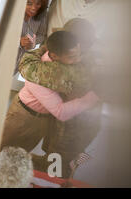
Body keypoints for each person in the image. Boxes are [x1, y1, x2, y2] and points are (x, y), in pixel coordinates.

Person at [18, 18, 102, 178]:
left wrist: (46, 48)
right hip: (79, 122)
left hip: (72, 127)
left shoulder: (68, 69)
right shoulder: (84, 55)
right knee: (55, 159)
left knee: (56, 167)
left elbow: (27, 65)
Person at [0, 31, 99, 153]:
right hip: (22, 118)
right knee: (0, 154)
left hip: (42, 120)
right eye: (72, 57)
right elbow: (60, 111)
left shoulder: (63, 64)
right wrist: (93, 97)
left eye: (79, 54)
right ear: (55, 56)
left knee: (20, 157)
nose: (78, 60)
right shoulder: (39, 74)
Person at [13, 0, 49, 74]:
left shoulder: (42, 15)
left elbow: (42, 35)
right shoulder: (12, 14)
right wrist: (18, 41)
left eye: (38, 4)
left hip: (18, 64)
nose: (34, 8)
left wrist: (33, 43)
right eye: (29, 3)